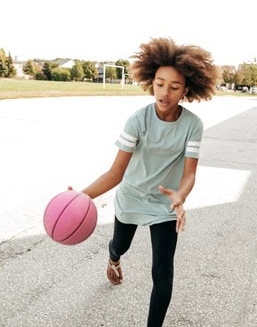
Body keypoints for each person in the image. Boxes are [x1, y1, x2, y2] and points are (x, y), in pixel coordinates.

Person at [70, 37, 216, 327]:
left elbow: (189, 173)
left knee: (163, 273)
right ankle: (114, 258)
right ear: (152, 82)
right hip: (132, 197)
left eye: (174, 87)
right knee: (120, 245)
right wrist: (82, 196)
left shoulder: (192, 125)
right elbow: (116, 173)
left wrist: (180, 196)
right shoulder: (138, 120)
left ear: (186, 90)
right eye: (160, 84)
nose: (165, 92)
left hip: (165, 205)